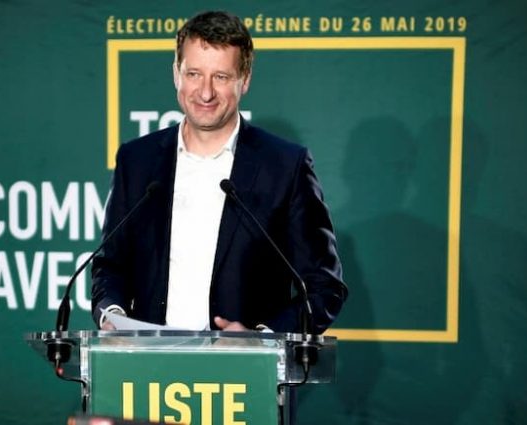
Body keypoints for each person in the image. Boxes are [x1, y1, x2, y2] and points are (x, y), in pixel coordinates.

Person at [91, 10, 347, 334]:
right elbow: (110, 265)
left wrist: (261, 340)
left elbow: (324, 287)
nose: (205, 92)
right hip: (148, 369)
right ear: (176, 74)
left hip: (246, 376)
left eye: (221, 77)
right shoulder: (136, 161)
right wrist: (112, 315)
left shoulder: (285, 166)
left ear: (245, 79)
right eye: (194, 74)